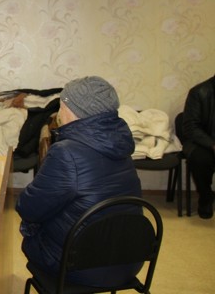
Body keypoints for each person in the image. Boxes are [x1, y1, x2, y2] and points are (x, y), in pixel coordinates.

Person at [16, 76, 142, 287]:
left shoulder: (66, 153)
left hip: (80, 266)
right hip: (128, 261)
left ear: (71, 109)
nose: (58, 113)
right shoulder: (120, 145)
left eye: (61, 106)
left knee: (31, 227)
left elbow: (28, 208)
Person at [182, 74, 215, 219]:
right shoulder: (199, 92)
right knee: (201, 160)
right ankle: (206, 197)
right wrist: (212, 144)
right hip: (201, 141)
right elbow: (191, 127)